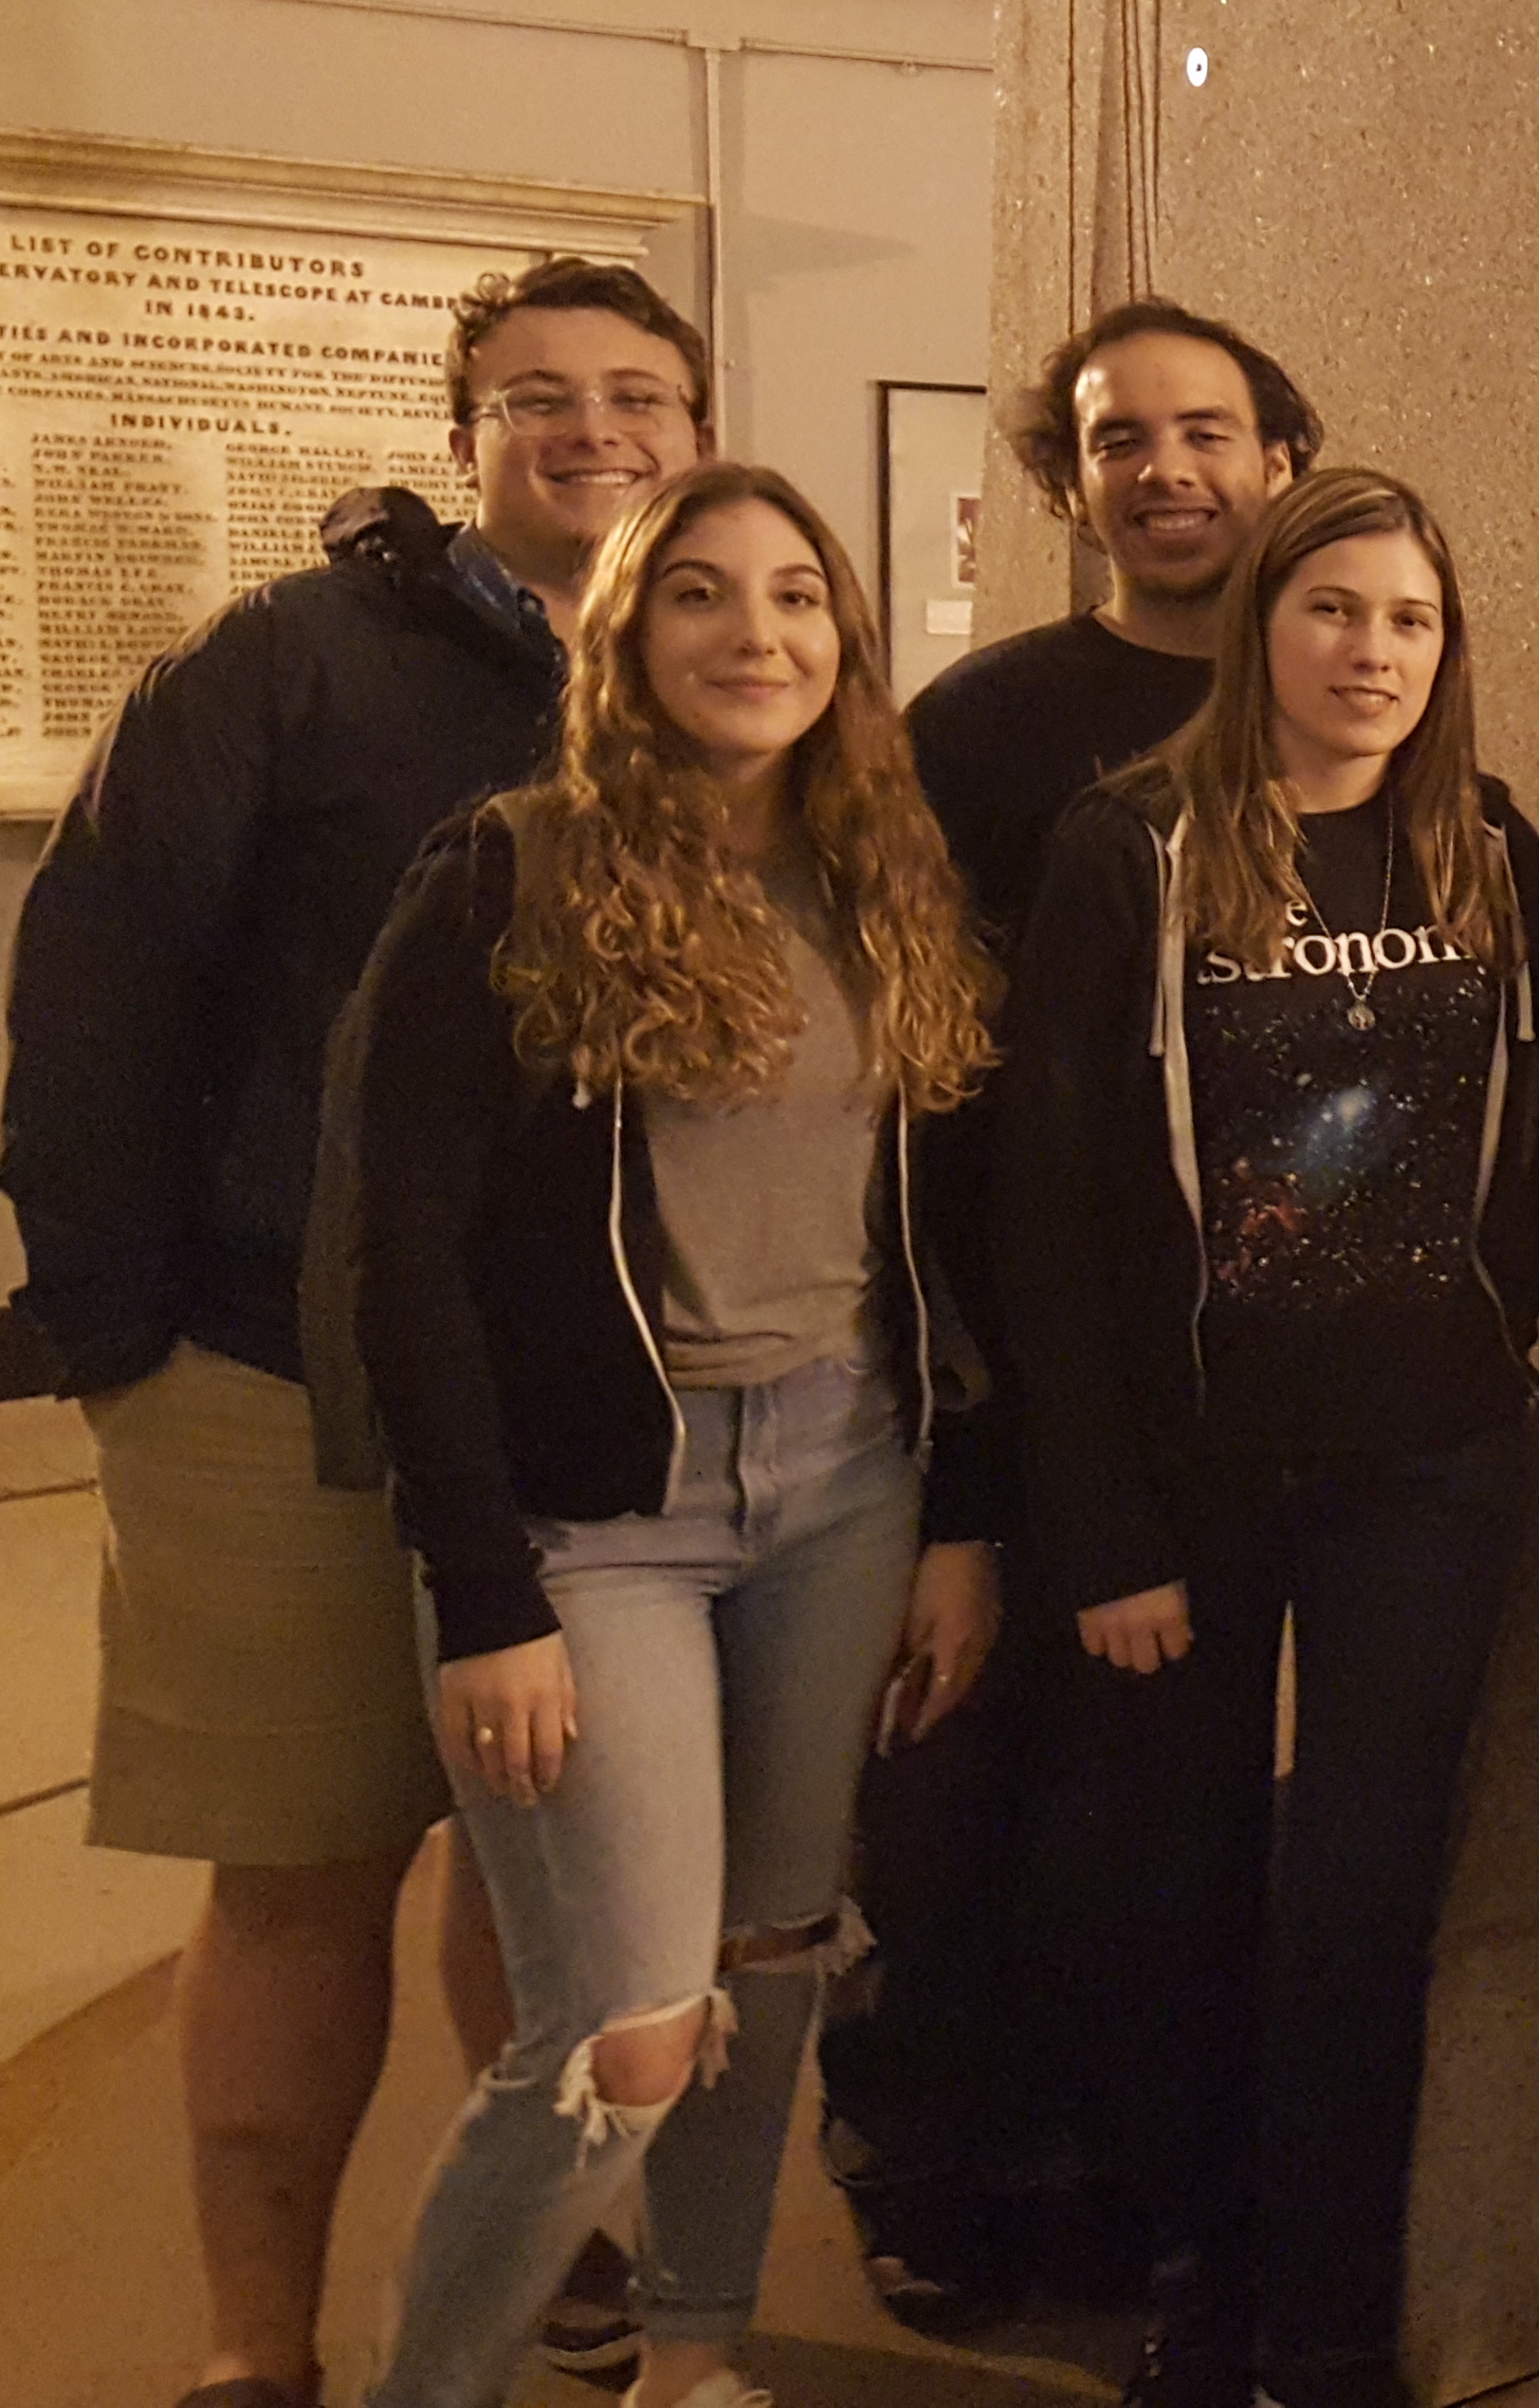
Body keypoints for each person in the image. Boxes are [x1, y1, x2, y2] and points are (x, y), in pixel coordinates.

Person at [5, 253, 711, 2408]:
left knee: (546, 1872)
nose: (591, 429)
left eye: (637, 394)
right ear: (462, 432)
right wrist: (118, 1332)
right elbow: (101, 981)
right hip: (273, 1373)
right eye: (537, 394)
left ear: (695, 431)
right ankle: (258, 2336)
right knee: (303, 1871)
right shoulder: (286, 665)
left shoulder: (725, 669)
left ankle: (554, 2250)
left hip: (575, 1393)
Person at [334, 462, 1003, 2408]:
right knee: (622, 2030)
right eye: (701, 594)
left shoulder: (886, 878)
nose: (755, 634)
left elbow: (935, 1236)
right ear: (627, 636)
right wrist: (483, 1593)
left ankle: (692, 2353)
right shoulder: (507, 873)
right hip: (592, 1516)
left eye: (795, 597)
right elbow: (402, 1256)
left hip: (843, 1478)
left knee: (774, 1953)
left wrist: (959, 1512)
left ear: (845, 643)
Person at [997, 469, 1539, 2408]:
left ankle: (1330, 2332)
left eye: (1410, 619)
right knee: (1179, 1890)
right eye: (1333, 609)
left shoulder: (1484, 846)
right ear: (1260, 627)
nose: (1372, 653)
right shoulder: (1133, 849)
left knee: (1362, 1904)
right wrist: (1102, 1531)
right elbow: (1046, 1208)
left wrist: (1524, 1324)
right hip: (1193, 1471)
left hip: (1428, 1461)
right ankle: (1202, 2290)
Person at [830, 296, 1320, 2334]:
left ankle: (1129, 2166)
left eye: (1206, 432)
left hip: (1232, 1368)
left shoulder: (1342, 698)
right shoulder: (984, 728)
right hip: (1005, 1348)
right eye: (1123, 440)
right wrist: (962, 1421)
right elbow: (919, 1082)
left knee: (1149, 1813)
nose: (1168, 471)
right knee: (960, 1786)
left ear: (1280, 459)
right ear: (1071, 481)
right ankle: (938, 2159)